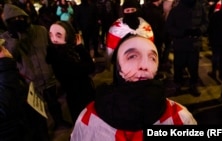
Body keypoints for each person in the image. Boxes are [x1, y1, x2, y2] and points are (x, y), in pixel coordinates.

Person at [70, 34, 197, 141]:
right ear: (118, 66)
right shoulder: (89, 119)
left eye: (152, 58)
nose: (144, 65)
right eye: (132, 56)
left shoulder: (180, 117)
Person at [0, 3, 69, 137]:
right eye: (14, 19)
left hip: (47, 77)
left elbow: (50, 49)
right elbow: (10, 56)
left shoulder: (40, 30)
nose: (19, 21)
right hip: (30, 82)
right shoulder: (6, 39)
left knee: (54, 103)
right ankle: (43, 134)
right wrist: (15, 37)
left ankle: (59, 121)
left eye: (21, 18)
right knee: (38, 114)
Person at [46, 20, 96, 123]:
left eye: (58, 35)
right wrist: (80, 48)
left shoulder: (62, 51)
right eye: (51, 35)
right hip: (80, 96)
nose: (54, 39)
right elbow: (90, 67)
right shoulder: (61, 55)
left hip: (75, 95)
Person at [165, 0, 209, 96]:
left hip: (194, 45)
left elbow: (206, 22)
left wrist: (199, 30)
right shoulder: (176, 10)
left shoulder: (200, 7)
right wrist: (182, 32)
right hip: (180, 45)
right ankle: (177, 85)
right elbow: (169, 27)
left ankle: (193, 85)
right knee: (178, 67)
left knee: (193, 68)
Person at [105, 0, 154, 84]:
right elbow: (111, 47)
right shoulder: (116, 28)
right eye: (127, 10)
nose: (130, 12)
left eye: (133, 10)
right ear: (123, 11)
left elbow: (150, 46)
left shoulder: (145, 26)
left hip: (140, 62)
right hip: (121, 63)